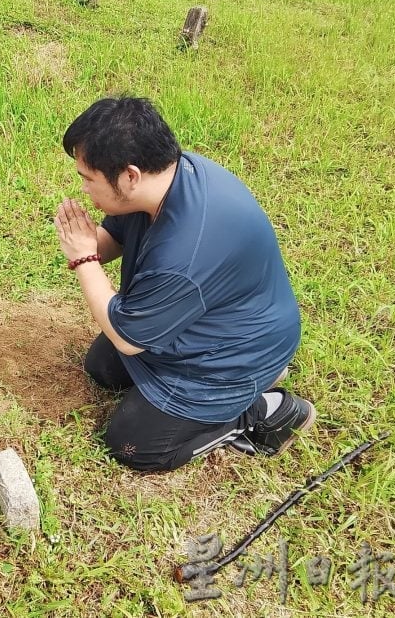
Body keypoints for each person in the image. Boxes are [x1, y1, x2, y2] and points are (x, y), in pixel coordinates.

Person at [53, 95, 315, 471]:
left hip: (229, 354)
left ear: (130, 176)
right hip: (207, 324)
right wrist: (86, 242)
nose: (84, 190)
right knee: (102, 369)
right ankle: (259, 379)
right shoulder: (169, 176)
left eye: (88, 179)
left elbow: (128, 339)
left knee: (133, 446)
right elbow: (117, 239)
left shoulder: (186, 251)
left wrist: (83, 257)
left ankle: (262, 409)